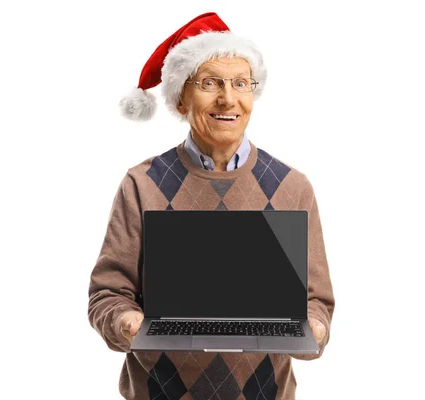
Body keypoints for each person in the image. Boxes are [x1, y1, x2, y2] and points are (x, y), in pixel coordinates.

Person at [88, 12, 335, 400]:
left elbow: (316, 301)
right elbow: (107, 293)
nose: (228, 98)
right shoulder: (142, 183)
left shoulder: (293, 186)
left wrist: (315, 329)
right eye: (210, 83)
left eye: (241, 83)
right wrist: (126, 322)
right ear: (181, 99)